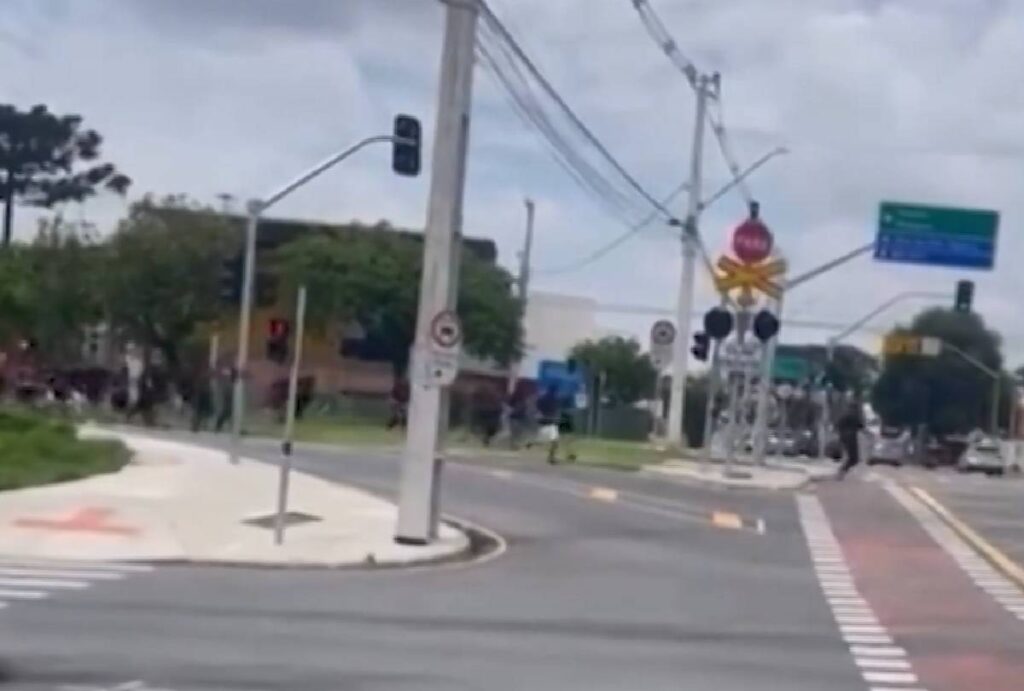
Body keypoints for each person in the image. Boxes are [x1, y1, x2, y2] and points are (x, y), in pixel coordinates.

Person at [836, 399, 866, 480]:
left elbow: (838, 426)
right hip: (851, 438)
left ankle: (842, 471)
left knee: (850, 457)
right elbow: (861, 426)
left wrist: (840, 435)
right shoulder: (854, 416)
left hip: (844, 438)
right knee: (854, 458)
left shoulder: (844, 415)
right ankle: (842, 471)